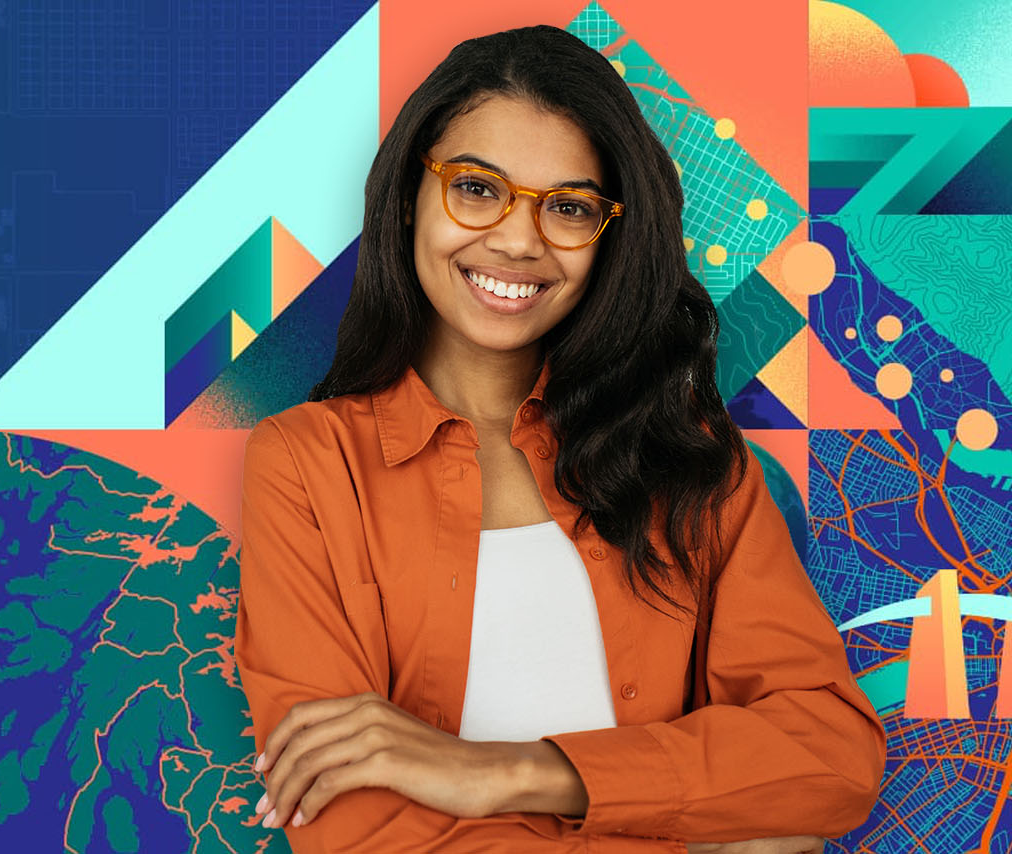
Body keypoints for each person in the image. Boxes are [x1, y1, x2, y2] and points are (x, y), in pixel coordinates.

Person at [233, 24, 886, 854]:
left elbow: (830, 757)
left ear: (609, 238)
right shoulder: (305, 464)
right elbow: (351, 821)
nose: (517, 240)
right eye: (476, 189)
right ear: (409, 198)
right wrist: (707, 819)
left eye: (570, 208)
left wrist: (508, 771)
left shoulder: (694, 461)